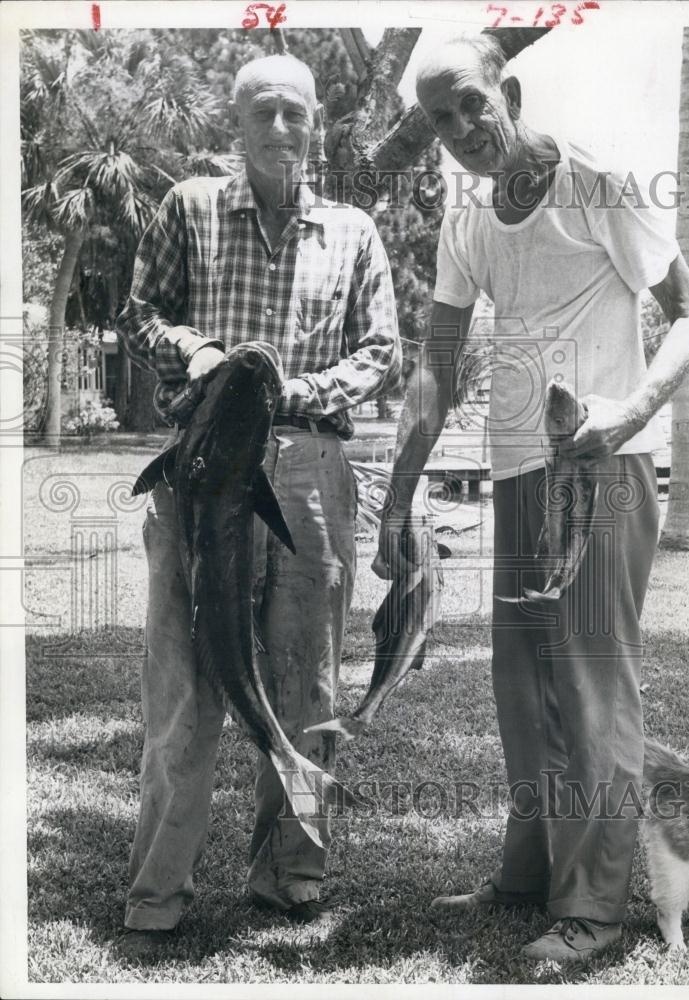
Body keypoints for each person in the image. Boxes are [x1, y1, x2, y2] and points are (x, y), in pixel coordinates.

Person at [373, 35, 689, 963]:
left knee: (591, 690)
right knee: (522, 688)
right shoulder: (465, 224)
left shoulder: (592, 181)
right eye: (439, 121)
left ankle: (595, 910)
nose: (459, 131)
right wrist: (398, 504)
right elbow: (434, 373)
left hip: (599, 473)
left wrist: (631, 411)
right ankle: (527, 874)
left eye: (470, 106)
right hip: (519, 474)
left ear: (506, 91)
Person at [116, 54, 400, 958]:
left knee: (307, 679)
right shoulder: (188, 206)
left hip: (310, 469)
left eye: (297, 114)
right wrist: (200, 354)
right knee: (184, 680)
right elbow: (141, 311)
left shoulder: (353, 228)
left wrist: (296, 389)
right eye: (264, 112)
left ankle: (293, 872)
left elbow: (382, 349)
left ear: (317, 124)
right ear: (235, 122)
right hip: (201, 467)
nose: (281, 129)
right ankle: (159, 889)